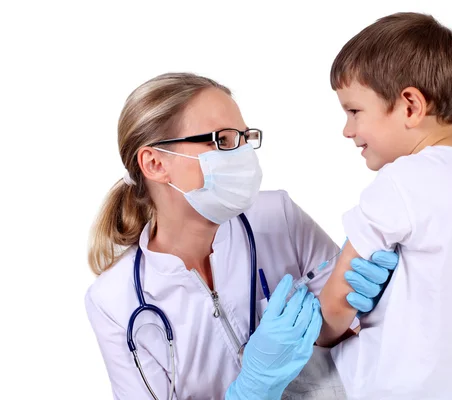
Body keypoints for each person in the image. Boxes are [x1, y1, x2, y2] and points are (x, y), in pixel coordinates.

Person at [84, 72, 398, 400]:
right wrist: (252, 390)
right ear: (155, 163)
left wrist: (343, 308)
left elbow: (346, 332)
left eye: (245, 138)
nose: (243, 154)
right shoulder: (114, 302)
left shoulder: (279, 217)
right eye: (224, 140)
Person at [316, 12, 452, 399]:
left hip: (368, 386)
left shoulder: (401, 180)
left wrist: (320, 339)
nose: (347, 130)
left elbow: (338, 299)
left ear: (411, 106)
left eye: (354, 111)